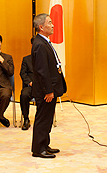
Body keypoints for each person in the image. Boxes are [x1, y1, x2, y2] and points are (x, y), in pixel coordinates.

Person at [31, 13, 67, 158]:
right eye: (50, 23)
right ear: (41, 27)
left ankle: (45, 144)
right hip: (44, 91)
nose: (53, 25)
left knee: (47, 118)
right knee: (43, 119)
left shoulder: (44, 42)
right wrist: (48, 90)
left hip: (49, 89)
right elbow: (42, 71)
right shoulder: (39, 45)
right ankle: (38, 149)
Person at [20, 37, 34, 130]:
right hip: (30, 86)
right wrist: (29, 82)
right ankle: (26, 119)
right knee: (24, 95)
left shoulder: (46, 59)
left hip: (43, 86)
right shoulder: (26, 59)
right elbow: (22, 73)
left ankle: (43, 120)